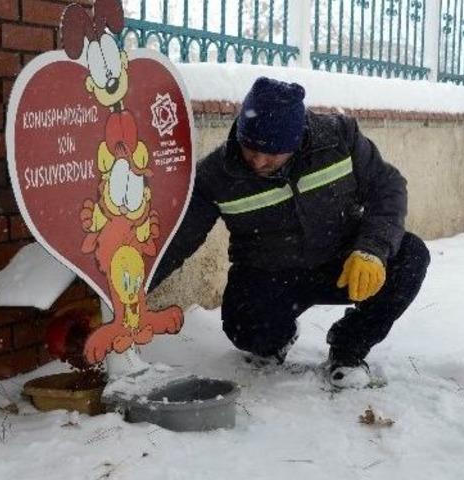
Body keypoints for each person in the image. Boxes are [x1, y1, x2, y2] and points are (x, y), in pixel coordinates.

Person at [149, 77, 430, 388]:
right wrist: (131, 291)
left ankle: (349, 348)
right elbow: (179, 238)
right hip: (272, 273)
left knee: (411, 257)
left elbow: (388, 188)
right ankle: (277, 339)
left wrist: (372, 249)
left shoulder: (338, 139)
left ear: (296, 143)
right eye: (250, 148)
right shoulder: (217, 175)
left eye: (271, 153)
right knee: (244, 329)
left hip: (342, 264)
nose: (258, 161)